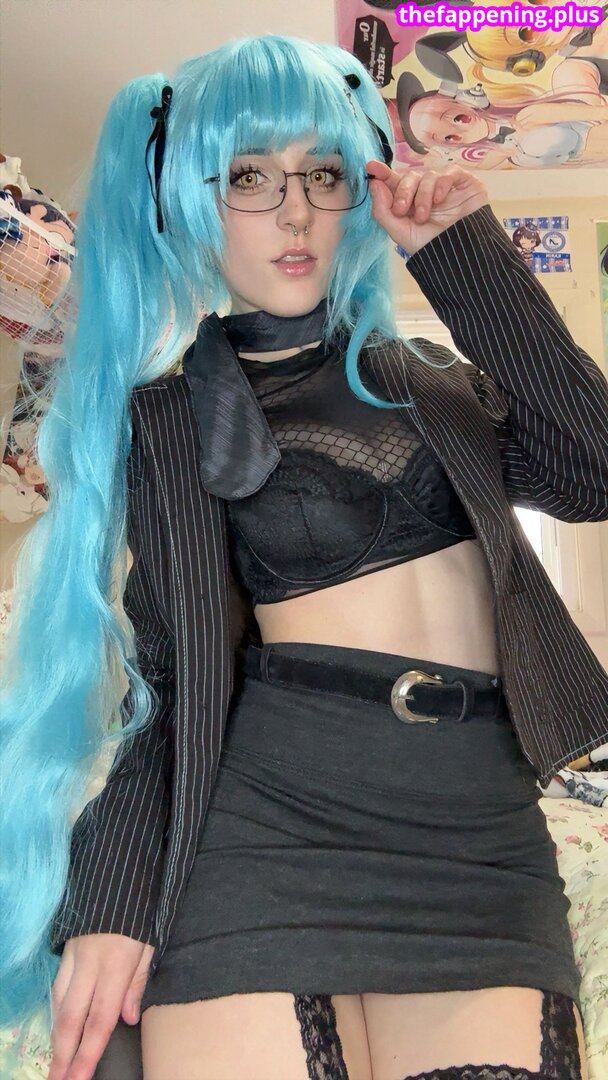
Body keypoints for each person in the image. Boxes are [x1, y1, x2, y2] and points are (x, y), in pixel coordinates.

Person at [1, 32, 607, 1080]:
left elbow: (592, 471)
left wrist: (463, 255)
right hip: (270, 828)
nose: (293, 212)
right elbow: (168, 683)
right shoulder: (172, 418)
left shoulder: (431, 376)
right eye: (249, 178)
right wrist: (112, 898)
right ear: (188, 204)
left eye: (323, 174)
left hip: (481, 837)